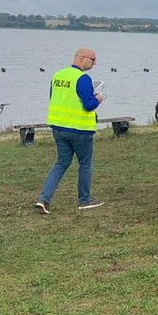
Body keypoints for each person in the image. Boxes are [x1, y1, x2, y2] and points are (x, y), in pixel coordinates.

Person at [36, 48, 105, 214]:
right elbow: (89, 105)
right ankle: (84, 199)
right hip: (80, 129)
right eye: (92, 59)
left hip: (58, 127)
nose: (95, 63)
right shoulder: (82, 78)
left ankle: (44, 199)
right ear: (81, 58)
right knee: (85, 164)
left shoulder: (57, 75)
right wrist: (98, 99)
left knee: (61, 163)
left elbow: (55, 98)